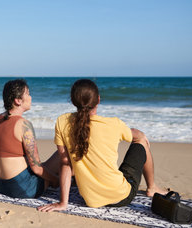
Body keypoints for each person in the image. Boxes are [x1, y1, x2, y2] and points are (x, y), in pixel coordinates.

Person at [38, 79, 166, 212]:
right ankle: (152, 188)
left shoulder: (62, 122)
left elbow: (65, 163)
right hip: (121, 197)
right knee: (141, 143)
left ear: (72, 100)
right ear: (98, 99)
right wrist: (142, 136)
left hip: (91, 200)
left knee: (67, 158)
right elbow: (138, 136)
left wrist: (63, 203)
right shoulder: (113, 124)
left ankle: (150, 187)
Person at [0, 79, 59, 198]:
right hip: (22, 188)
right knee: (61, 155)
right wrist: (56, 180)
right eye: (28, 93)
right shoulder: (24, 125)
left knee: (42, 165)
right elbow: (37, 168)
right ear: (18, 100)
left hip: (1, 184)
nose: (31, 97)